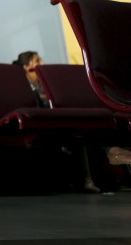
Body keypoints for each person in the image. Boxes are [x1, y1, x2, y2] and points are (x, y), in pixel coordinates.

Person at [14, 50, 101, 193]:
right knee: (75, 133)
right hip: (39, 122)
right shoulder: (23, 85)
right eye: (37, 61)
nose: (42, 63)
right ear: (26, 67)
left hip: (52, 118)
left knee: (81, 129)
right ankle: (86, 179)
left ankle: (93, 173)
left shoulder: (44, 84)